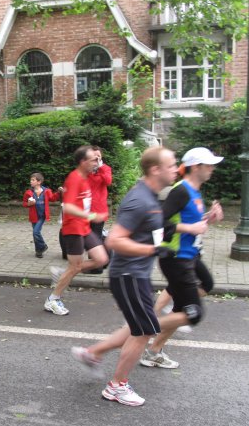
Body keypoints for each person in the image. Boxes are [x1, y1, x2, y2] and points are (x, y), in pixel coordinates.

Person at [70, 147, 178, 406]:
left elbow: (148, 230)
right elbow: (115, 241)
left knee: (137, 326)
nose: (176, 169)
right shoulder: (139, 199)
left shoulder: (150, 196)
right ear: (155, 169)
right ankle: (116, 386)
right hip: (129, 275)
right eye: (172, 165)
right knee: (145, 330)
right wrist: (153, 250)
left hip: (138, 274)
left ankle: (91, 353)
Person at [140, 147, 224, 368]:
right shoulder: (181, 191)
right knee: (193, 313)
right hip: (175, 257)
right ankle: (141, 328)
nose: (212, 169)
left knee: (204, 286)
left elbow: (192, 223)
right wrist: (190, 227)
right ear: (195, 167)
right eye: (208, 165)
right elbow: (159, 223)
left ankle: (153, 350)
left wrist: (209, 218)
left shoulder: (195, 192)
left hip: (190, 255)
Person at [45, 146, 109, 316]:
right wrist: (92, 215)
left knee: (101, 259)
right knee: (75, 267)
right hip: (73, 228)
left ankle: (63, 273)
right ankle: (53, 299)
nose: (97, 162)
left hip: (84, 227)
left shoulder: (86, 177)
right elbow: (69, 207)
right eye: (93, 159)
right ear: (83, 162)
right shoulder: (74, 178)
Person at [84, 146, 112, 274]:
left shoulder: (105, 169)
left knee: (95, 236)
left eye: (98, 156)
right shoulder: (87, 170)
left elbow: (108, 181)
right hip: (87, 211)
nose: (96, 158)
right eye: (93, 156)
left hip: (98, 211)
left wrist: (100, 168)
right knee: (92, 236)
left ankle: (96, 266)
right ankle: (103, 261)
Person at [23, 172, 59, 258]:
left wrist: (59, 192)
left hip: (42, 216)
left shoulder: (46, 191)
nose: (31, 181)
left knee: (36, 232)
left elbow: (53, 198)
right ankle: (39, 251)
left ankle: (43, 246)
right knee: (36, 233)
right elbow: (24, 203)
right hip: (34, 216)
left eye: (33, 180)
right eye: (31, 180)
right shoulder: (28, 192)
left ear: (39, 182)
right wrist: (29, 204)